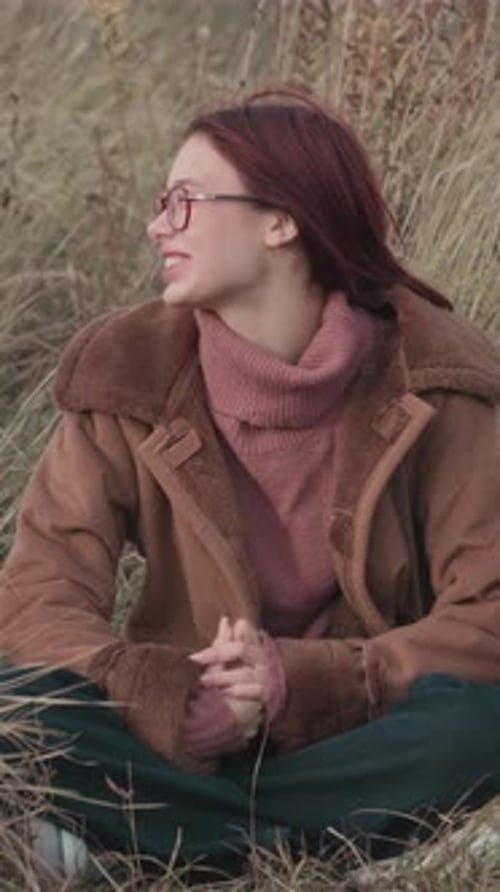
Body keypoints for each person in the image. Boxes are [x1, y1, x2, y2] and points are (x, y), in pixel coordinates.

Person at [1, 87, 500, 881]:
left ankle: (150, 847)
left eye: (187, 201)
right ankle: (313, 846)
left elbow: (487, 617)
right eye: (162, 203)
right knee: (10, 703)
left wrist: (299, 683)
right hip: (179, 742)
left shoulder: (436, 383)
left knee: (481, 723)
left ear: (282, 221)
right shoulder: (125, 376)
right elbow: (37, 597)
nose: (158, 223)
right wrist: (165, 697)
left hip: (358, 734)